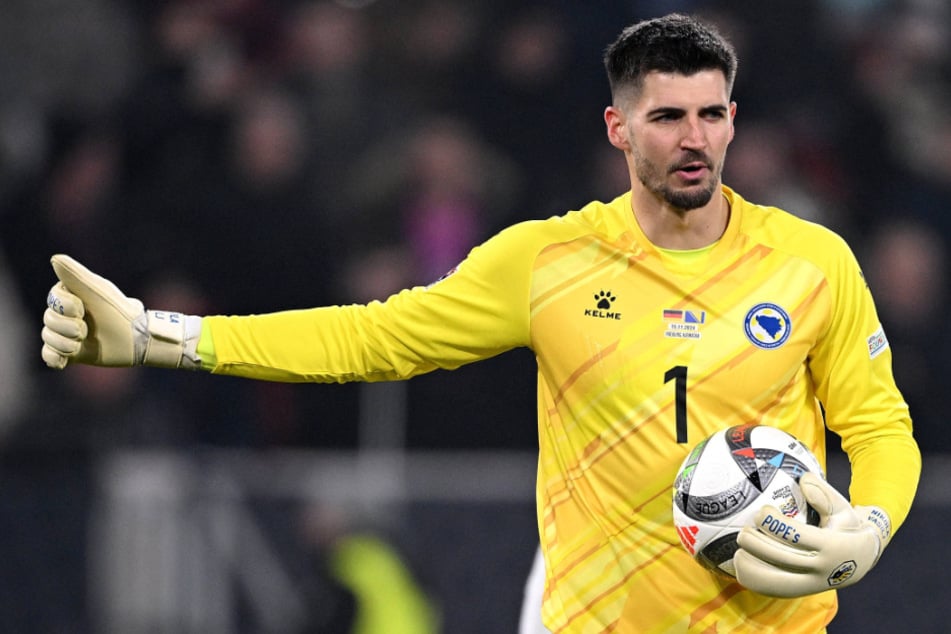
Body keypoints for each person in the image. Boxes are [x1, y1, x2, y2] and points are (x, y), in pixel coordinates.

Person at [39, 13, 920, 633]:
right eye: (666, 117)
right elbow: (368, 340)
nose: (693, 139)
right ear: (619, 128)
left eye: (711, 114)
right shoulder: (547, 261)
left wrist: (870, 526)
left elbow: (878, 427)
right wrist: (159, 335)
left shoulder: (812, 263)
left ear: (732, 120)